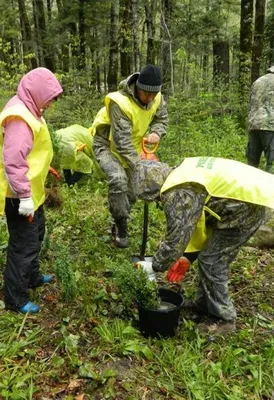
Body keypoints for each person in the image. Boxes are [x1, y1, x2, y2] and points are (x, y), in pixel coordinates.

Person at [133, 156, 274, 334]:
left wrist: (154, 265)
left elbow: (176, 239)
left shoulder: (178, 192)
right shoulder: (180, 172)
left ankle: (225, 319)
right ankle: (203, 304)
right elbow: (197, 220)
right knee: (208, 257)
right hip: (245, 199)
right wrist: (189, 256)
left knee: (212, 261)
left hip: (245, 210)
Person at [0, 67, 63, 314]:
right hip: (19, 196)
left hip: (31, 192)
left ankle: (32, 276)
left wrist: (46, 168)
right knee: (22, 245)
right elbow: (13, 160)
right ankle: (15, 298)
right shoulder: (20, 117)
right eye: (49, 98)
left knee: (36, 235)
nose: (50, 104)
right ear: (37, 92)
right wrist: (24, 196)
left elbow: (33, 150)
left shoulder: (31, 108)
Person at [90, 64, 168, 248]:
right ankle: (121, 227)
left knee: (134, 191)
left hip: (132, 146)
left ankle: (119, 216)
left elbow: (162, 118)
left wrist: (156, 132)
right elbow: (121, 143)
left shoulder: (157, 98)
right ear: (137, 88)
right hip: (107, 145)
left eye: (153, 95)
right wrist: (142, 167)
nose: (150, 99)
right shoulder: (120, 103)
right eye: (146, 94)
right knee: (118, 180)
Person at [246, 65, 274, 173]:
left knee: (252, 164)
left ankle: (248, 186)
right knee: (271, 163)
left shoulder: (258, 81)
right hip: (270, 125)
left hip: (254, 124)